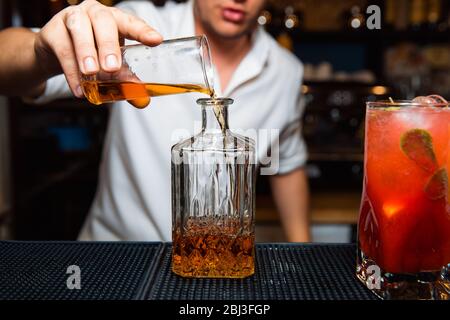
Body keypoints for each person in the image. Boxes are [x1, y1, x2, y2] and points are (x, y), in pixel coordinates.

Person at [0, 0, 310, 242]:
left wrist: (303, 258)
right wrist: (41, 53)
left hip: (213, 263)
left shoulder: (285, 71)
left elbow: (286, 164)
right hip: (117, 257)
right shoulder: (137, 24)